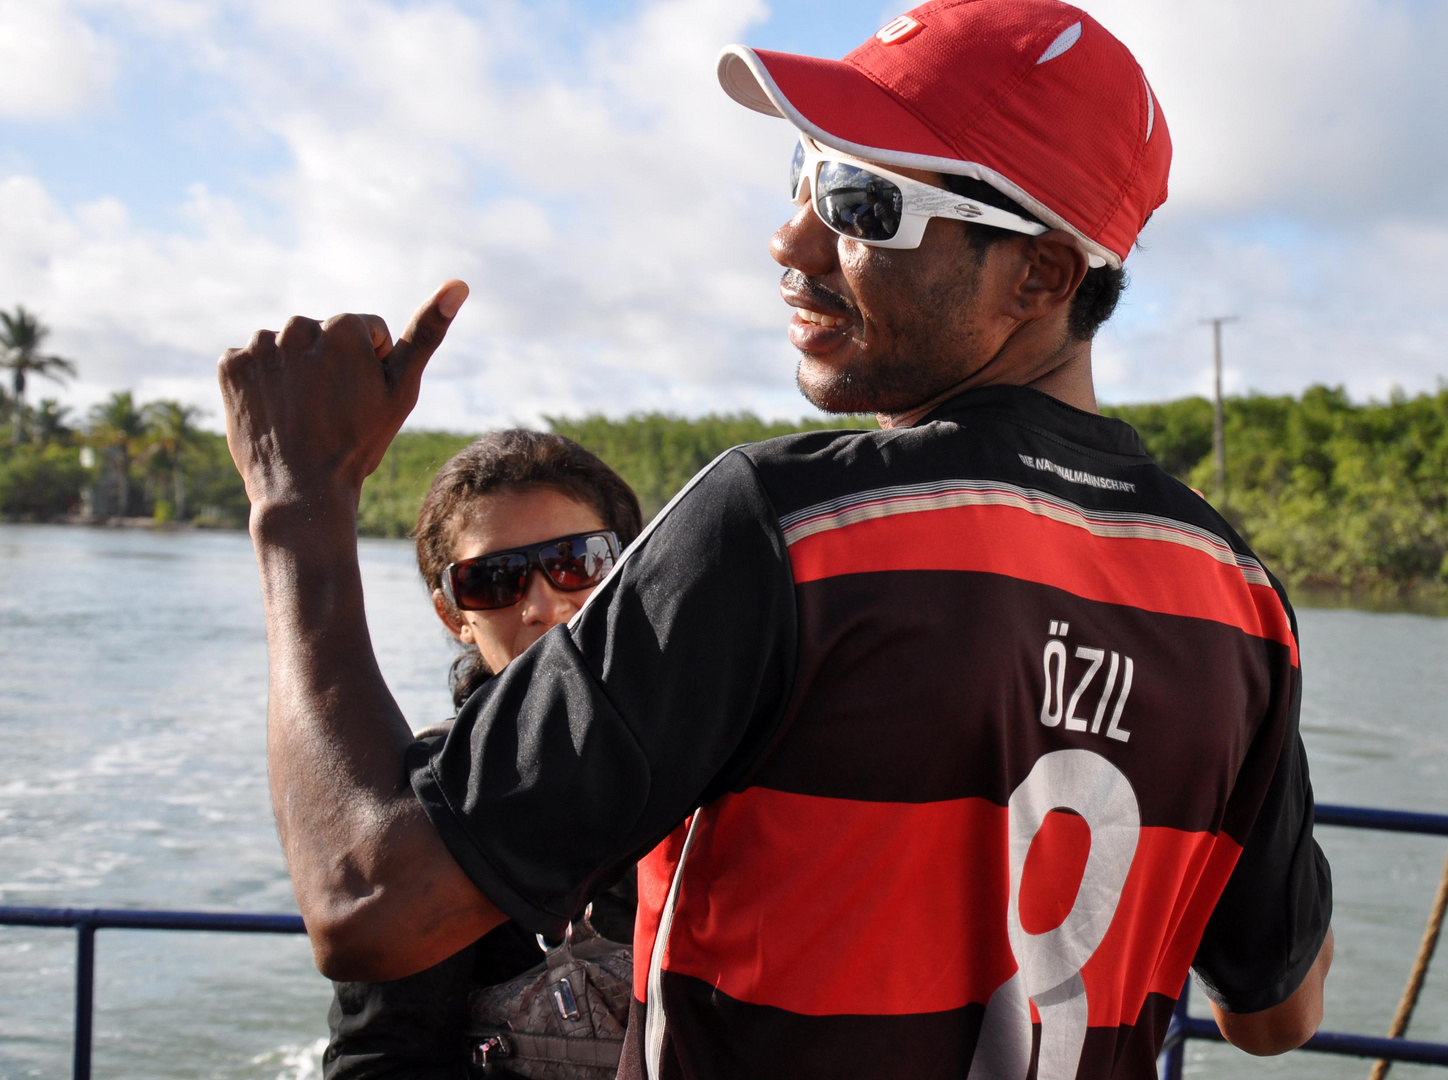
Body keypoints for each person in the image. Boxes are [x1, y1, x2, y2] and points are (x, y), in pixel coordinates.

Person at [218, 2, 1334, 1077]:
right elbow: (1274, 1011)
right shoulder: (1237, 604)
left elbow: (373, 903)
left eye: (860, 201)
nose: (790, 236)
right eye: (801, 173)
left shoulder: (794, 533)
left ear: (1039, 274)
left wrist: (298, 501)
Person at [324, 430, 644, 1080]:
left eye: (576, 561)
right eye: (492, 579)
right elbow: (382, 1059)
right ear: (453, 616)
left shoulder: (722, 746)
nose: (543, 604)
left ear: (627, 570)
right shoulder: (435, 798)